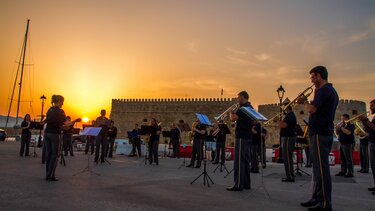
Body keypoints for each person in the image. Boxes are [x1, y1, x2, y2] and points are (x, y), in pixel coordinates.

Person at [300, 66, 339, 211]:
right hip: (322, 132)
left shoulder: (324, 90)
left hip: (320, 133)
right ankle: (316, 198)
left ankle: (324, 204)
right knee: (317, 169)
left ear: (318, 76)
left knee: (322, 170)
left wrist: (304, 101)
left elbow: (312, 109)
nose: (311, 80)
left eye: (312, 77)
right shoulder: (329, 91)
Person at [43, 95, 75, 181]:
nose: (63, 104)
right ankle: (51, 175)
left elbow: (46, 121)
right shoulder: (60, 111)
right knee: (55, 154)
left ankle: (47, 174)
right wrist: (75, 121)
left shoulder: (50, 109)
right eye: (62, 102)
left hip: (46, 133)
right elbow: (66, 124)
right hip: (54, 134)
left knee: (49, 154)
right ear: (59, 101)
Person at [227, 91, 253, 191]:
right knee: (246, 161)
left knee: (239, 161)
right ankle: (246, 184)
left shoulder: (243, 108)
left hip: (241, 136)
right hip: (248, 136)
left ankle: (238, 184)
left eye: (238, 98)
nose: (237, 100)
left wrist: (230, 112)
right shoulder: (250, 108)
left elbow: (233, 119)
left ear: (242, 97)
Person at [359, 99, 375, 195]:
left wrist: (366, 120)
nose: (370, 107)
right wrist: (364, 123)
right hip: (372, 142)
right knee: (373, 165)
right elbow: (370, 128)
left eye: (372, 105)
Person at [279, 105, 297, 182]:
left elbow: (283, 125)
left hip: (288, 137)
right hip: (287, 137)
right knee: (287, 157)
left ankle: (290, 176)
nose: (283, 109)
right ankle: (289, 175)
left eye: (283, 107)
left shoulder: (290, 115)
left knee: (287, 157)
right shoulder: (289, 115)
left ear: (287, 108)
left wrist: (278, 120)